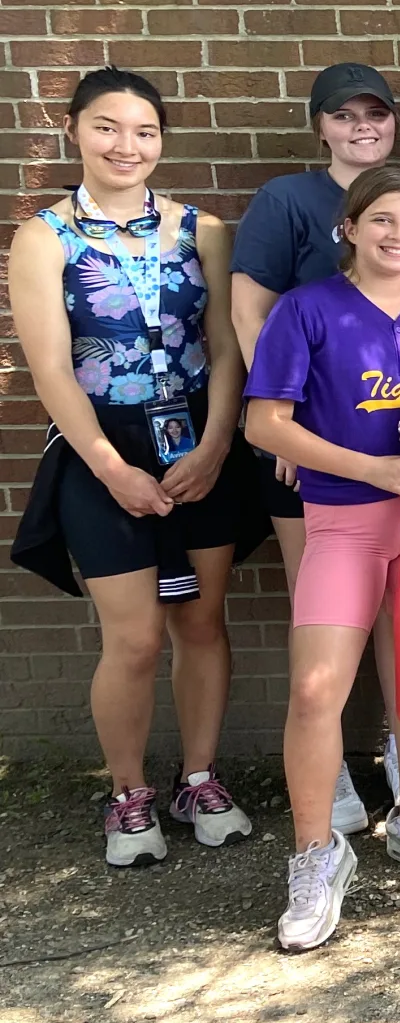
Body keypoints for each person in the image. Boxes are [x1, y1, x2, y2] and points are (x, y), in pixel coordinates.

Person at [244, 166, 400, 951]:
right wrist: (371, 468)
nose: (399, 236)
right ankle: (316, 854)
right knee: (317, 688)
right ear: (349, 228)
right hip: (345, 521)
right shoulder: (306, 310)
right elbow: (265, 425)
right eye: (382, 220)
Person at [9, 67, 258, 867]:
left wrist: (217, 444)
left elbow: (226, 347)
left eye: (145, 130)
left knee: (199, 622)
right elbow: (49, 367)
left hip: (198, 445)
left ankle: (198, 776)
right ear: (75, 131)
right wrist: (112, 467)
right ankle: (126, 792)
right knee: (136, 637)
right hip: (100, 451)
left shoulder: (203, 230)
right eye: (109, 127)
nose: (127, 144)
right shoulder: (44, 235)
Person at [230, 61, 400, 834]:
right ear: (320, 126)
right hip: (305, 450)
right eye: (344, 116)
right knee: (323, 610)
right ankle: (332, 770)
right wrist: (285, 426)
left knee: (394, 614)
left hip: (396, 454)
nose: (361, 127)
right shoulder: (286, 200)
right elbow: (250, 317)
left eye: (375, 113)